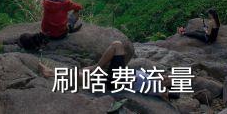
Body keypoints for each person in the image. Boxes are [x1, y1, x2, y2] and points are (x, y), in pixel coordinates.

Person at [38, 40, 178, 101]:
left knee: (84, 75)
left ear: (166, 87)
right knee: (117, 45)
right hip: (119, 75)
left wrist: (169, 92)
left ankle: (50, 73)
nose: (164, 76)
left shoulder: (157, 89)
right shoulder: (153, 80)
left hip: (118, 81)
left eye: (166, 79)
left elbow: (173, 95)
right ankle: (95, 68)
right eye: (166, 75)